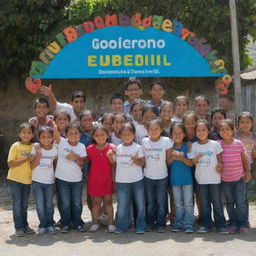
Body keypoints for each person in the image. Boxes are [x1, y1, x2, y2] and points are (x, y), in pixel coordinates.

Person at [189, 119, 228, 234]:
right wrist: (197, 157)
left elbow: (220, 160)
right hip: (201, 180)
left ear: (208, 131)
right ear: (195, 132)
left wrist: (220, 165)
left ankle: (221, 225)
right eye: (198, 130)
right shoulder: (193, 145)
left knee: (217, 203)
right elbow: (193, 162)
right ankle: (206, 224)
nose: (201, 132)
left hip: (215, 179)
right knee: (205, 204)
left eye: (203, 130)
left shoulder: (214, 144)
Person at [109, 122, 146, 234]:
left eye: (129, 134)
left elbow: (143, 163)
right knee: (122, 205)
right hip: (121, 181)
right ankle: (122, 226)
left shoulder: (138, 147)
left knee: (140, 204)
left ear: (134, 135)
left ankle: (140, 226)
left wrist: (136, 160)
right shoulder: (117, 148)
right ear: (120, 136)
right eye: (124, 135)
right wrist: (110, 157)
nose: (127, 137)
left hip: (137, 180)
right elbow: (113, 163)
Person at [218, 119, 251, 233]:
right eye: (222, 129)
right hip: (225, 180)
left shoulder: (238, 144)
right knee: (230, 202)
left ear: (233, 131)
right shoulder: (218, 145)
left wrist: (248, 172)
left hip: (239, 178)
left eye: (227, 129)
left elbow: (244, 159)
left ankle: (243, 223)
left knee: (241, 201)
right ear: (219, 132)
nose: (225, 131)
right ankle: (233, 223)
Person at [142, 118, 173, 232]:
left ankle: (161, 224)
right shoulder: (144, 141)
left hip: (162, 176)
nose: (153, 131)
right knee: (150, 202)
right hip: (148, 176)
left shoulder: (166, 141)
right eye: (151, 129)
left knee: (161, 201)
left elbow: (169, 160)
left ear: (161, 129)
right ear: (147, 130)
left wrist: (174, 156)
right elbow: (143, 159)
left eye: (156, 129)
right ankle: (150, 223)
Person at [55, 122, 86, 233]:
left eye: (76, 133)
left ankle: (78, 223)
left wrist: (75, 157)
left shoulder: (82, 146)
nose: (73, 135)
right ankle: (65, 224)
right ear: (65, 134)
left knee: (77, 202)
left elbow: (82, 163)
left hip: (76, 180)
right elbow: (55, 133)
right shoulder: (62, 142)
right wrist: (54, 124)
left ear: (80, 134)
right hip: (62, 179)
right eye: (70, 133)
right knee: (65, 202)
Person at [7, 122, 36, 237]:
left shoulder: (33, 147)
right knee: (17, 204)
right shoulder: (16, 146)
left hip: (27, 181)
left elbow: (34, 163)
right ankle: (18, 227)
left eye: (29, 133)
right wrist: (25, 159)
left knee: (24, 205)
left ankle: (25, 225)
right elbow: (10, 163)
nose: (26, 135)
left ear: (33, 135)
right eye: (23, 132)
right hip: (15, 180)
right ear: (19, 134)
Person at [86, 124, 115, 233]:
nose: (100, 137)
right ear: (93, 136)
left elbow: (114, 164)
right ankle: (95, 223)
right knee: (96, 203)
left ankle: (111, 223)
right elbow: (84, 162)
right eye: (97, 135)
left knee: (108, 202)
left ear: (107, 135)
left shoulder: (112, 147)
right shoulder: (89, 149)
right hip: (94, 180)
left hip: (107, 180)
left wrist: (110, 157)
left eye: (102, 134)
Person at [30, 126, 58, 235]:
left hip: (50, 182)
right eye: (43, 137)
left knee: (49, 205)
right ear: (38, 138)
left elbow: (56, 163)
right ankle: (43, 225)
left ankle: (50, 224)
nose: (46, 139)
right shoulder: (35, 148)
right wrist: (38, 156)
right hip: (37, 182)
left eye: (49, 137)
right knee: (40, 205)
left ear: (53, 138)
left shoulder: (55, 148)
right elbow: (31, 165)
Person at [169, 122, 194, 233]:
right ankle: (178, 224)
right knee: (178, 204)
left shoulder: (187, 147)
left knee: (188, 203)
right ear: (171, 135)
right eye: (175, 133)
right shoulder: (170, 148)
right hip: (175, 181)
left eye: (180, 133)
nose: (177, 135)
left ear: (184, 134)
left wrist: (182, 158)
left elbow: (191, 164)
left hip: (187, 180)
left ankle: (188, 224)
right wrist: (172, 156)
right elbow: (168, 164)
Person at [182, 111, 201, 223]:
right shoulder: (181, 138)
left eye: (193, 122)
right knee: (188, 195)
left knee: (199, 193)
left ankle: (202, 215)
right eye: (187, 123)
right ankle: (189, 216)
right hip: (185, 170)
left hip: (199, 170)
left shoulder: (200, 138)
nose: (190, 126)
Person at [235, 112, 256, 206]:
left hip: (250, 167)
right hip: (237, 168)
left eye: (248, 122)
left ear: (252, 124)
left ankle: (244, 217)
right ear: (237, 124)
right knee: (238, 193)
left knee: (246, 193)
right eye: (242, 122)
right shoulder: (235, 136)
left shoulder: (254, 137)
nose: (245, 124)